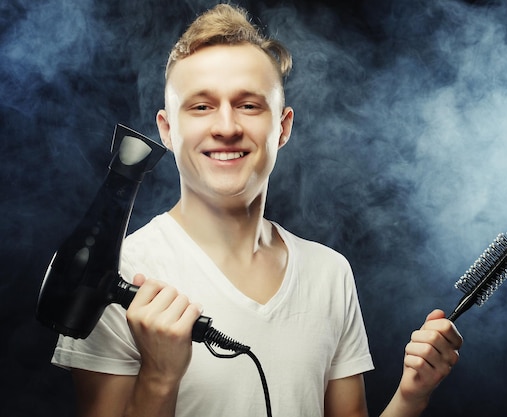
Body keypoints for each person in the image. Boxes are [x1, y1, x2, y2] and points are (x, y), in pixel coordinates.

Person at [52, 3, 463, 417]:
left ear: (281, 127)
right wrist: (160, 376)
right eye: (201, 106)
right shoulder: (115, 272)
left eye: (249, 105)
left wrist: (413, 395)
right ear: (167, 129)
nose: (227, 127)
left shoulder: (329, 272)